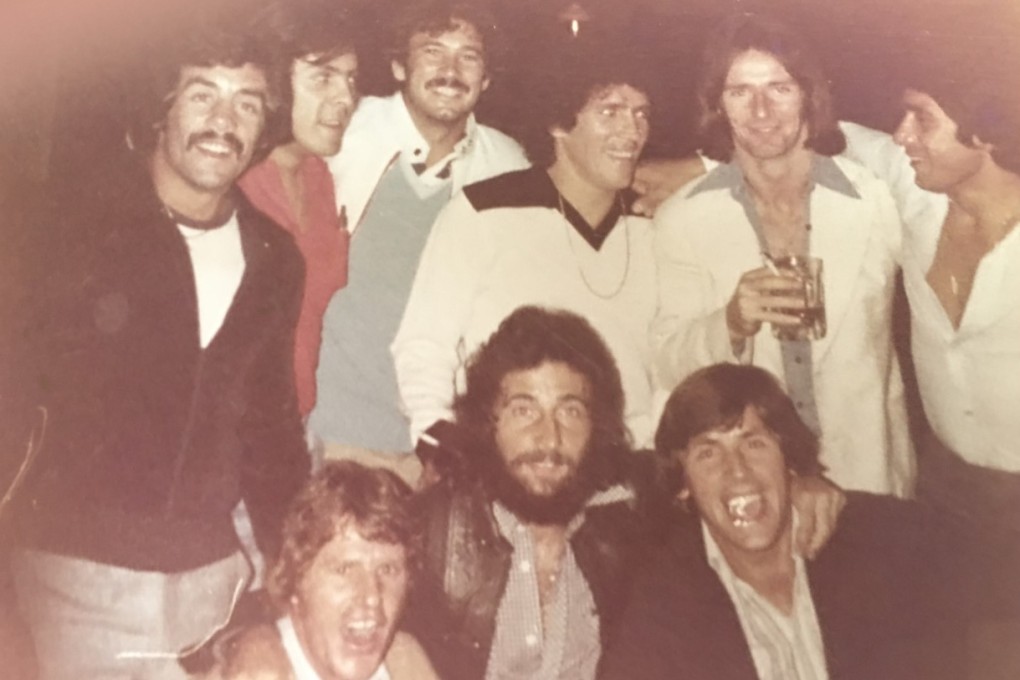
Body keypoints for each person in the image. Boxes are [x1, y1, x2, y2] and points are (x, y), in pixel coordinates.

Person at [5, 18, 309, 679]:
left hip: (211, 582)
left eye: (247, 103)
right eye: (203, 94)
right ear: (162, 109)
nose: (223, 120)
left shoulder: (274, 258)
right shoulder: (71, 225)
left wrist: (296, 562)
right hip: (77, 572)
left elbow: (271, 431)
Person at [401, 306, 842, 680]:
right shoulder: (432, 530)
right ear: (487, 421)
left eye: (570, 411)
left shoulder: (630, 511)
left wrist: (799, 479)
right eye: (523, 410)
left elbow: (714, 479)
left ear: (597, 426)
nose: (549, 436)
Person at [599, 363, 1020, 680]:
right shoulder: (665, 600)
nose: (738, 471)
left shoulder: (879, 535)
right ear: (682, 484)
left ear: (790, 462)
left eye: (755, 443)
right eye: (708, 453)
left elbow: (1003, 568)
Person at [651, 14, 914, 496]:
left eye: (779, 88)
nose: (761, 110)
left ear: (809, 97)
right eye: (739, 92)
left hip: (868, 471)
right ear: (718, 106)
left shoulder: (875, 199)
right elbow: (668, 361)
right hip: (752, 486)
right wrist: (730, 321)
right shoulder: (683, 219)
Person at [393, 40, 662, 450]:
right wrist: (437, 435)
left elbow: (668, 361)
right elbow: (425, 342)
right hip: (509, 465)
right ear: (558, 124)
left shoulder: (652, 226)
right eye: (609, 112)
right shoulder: (483, 210)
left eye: (641, 114)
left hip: (627, 470)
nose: (632, 131)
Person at [308, 0, 528, 480]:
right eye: (432, 51)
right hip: (325, 429)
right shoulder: (346, 129)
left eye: (469, 56)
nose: (451, 70)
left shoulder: (508, 166)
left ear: (487, 78)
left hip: (434, 447)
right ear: (398, 66)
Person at [206, 462, 439, 680]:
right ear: (295, 581)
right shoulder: (255, 673)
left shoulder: (404, 662)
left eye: (388, 569)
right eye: (345, 569)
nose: (372, 596)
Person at [239, 0, 358, 420]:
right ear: (274, 82)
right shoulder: (237, 184)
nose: (346, 97)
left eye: (349, 78)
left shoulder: (320, 179)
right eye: (323, 77)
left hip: (308, 424)